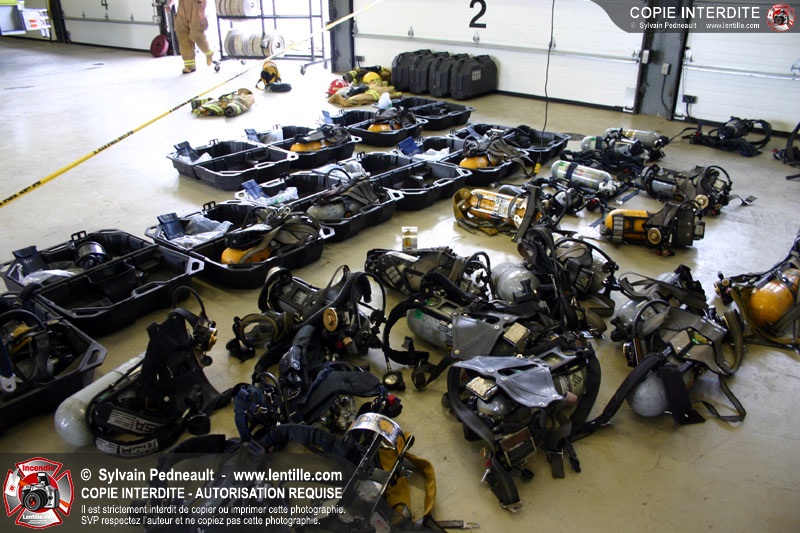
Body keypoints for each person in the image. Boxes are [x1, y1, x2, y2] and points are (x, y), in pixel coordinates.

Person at [168, 0, 214, 74]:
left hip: (195, 8)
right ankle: (189, 65)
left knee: (196, 34)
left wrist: (202, 13)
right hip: (182, 9)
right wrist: (169, 4)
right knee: (183, 37)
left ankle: (208, 52)